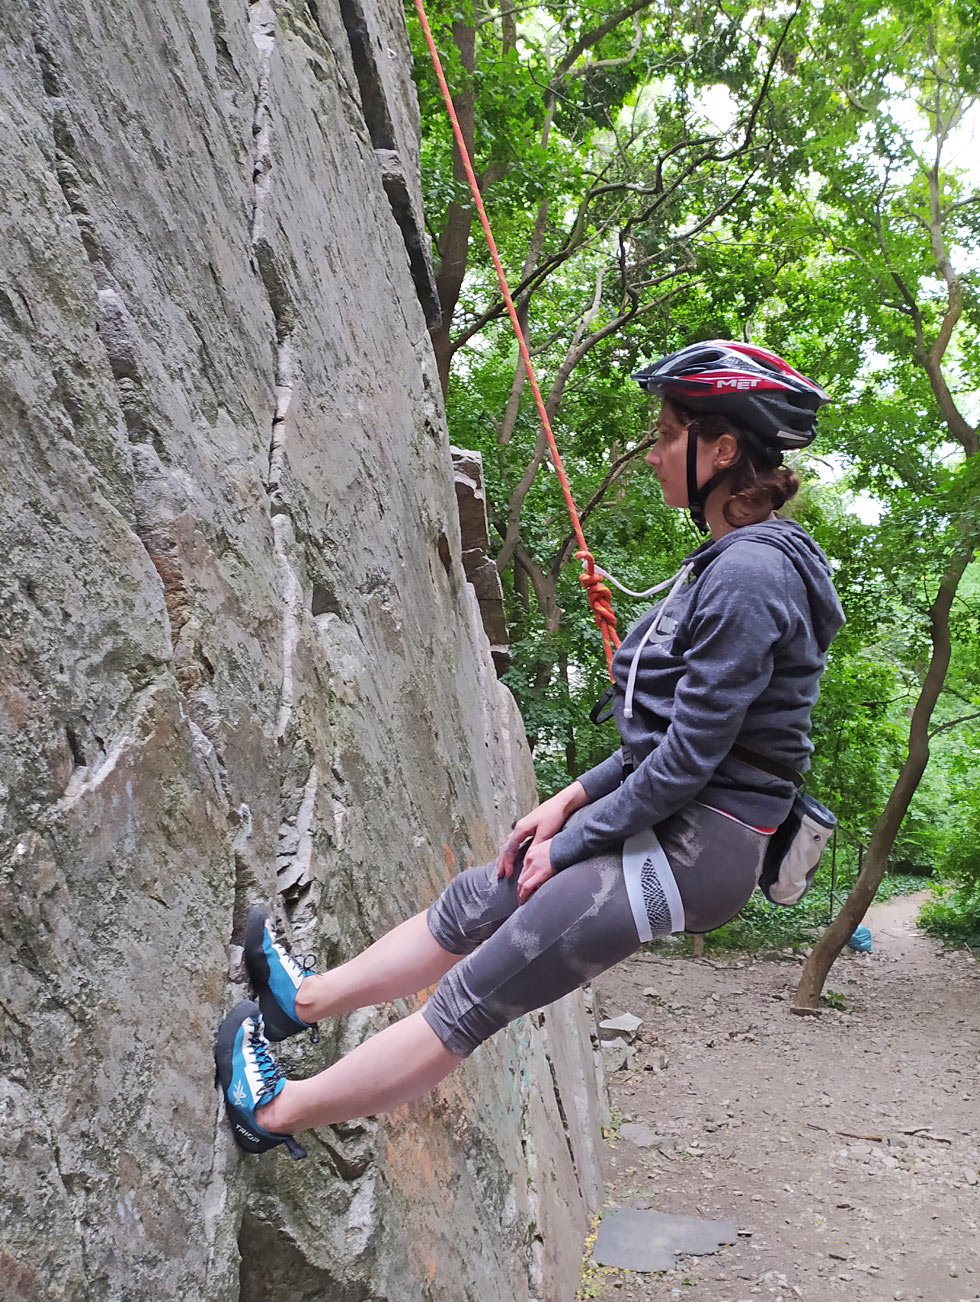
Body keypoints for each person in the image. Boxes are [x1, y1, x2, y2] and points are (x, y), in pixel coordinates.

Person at [214, 340, 845, 1160]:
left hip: (696, 850)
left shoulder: (750, 576)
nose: (652, 453)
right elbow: (670, 741)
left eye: (666, 434)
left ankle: (270, 1113)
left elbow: (690, 758)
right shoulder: (724, 564)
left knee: (479, 994)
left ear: (724, 452)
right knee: (495, 886)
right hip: (684, 818)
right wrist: (569, 801)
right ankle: (301, 1003)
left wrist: (576, 839)